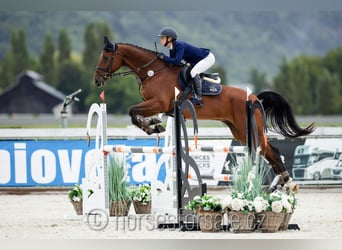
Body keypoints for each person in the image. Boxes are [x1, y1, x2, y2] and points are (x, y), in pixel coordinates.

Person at [157, 27, 215, 107]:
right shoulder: (172, 49)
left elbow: (177, 61)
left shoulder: (179, 45)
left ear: (169, 39)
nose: (160, 40)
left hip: (207, 58)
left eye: (162, 38)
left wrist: (164, 57)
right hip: (196, 60)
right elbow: (173, 64)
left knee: (194, 72)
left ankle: (199, 97)